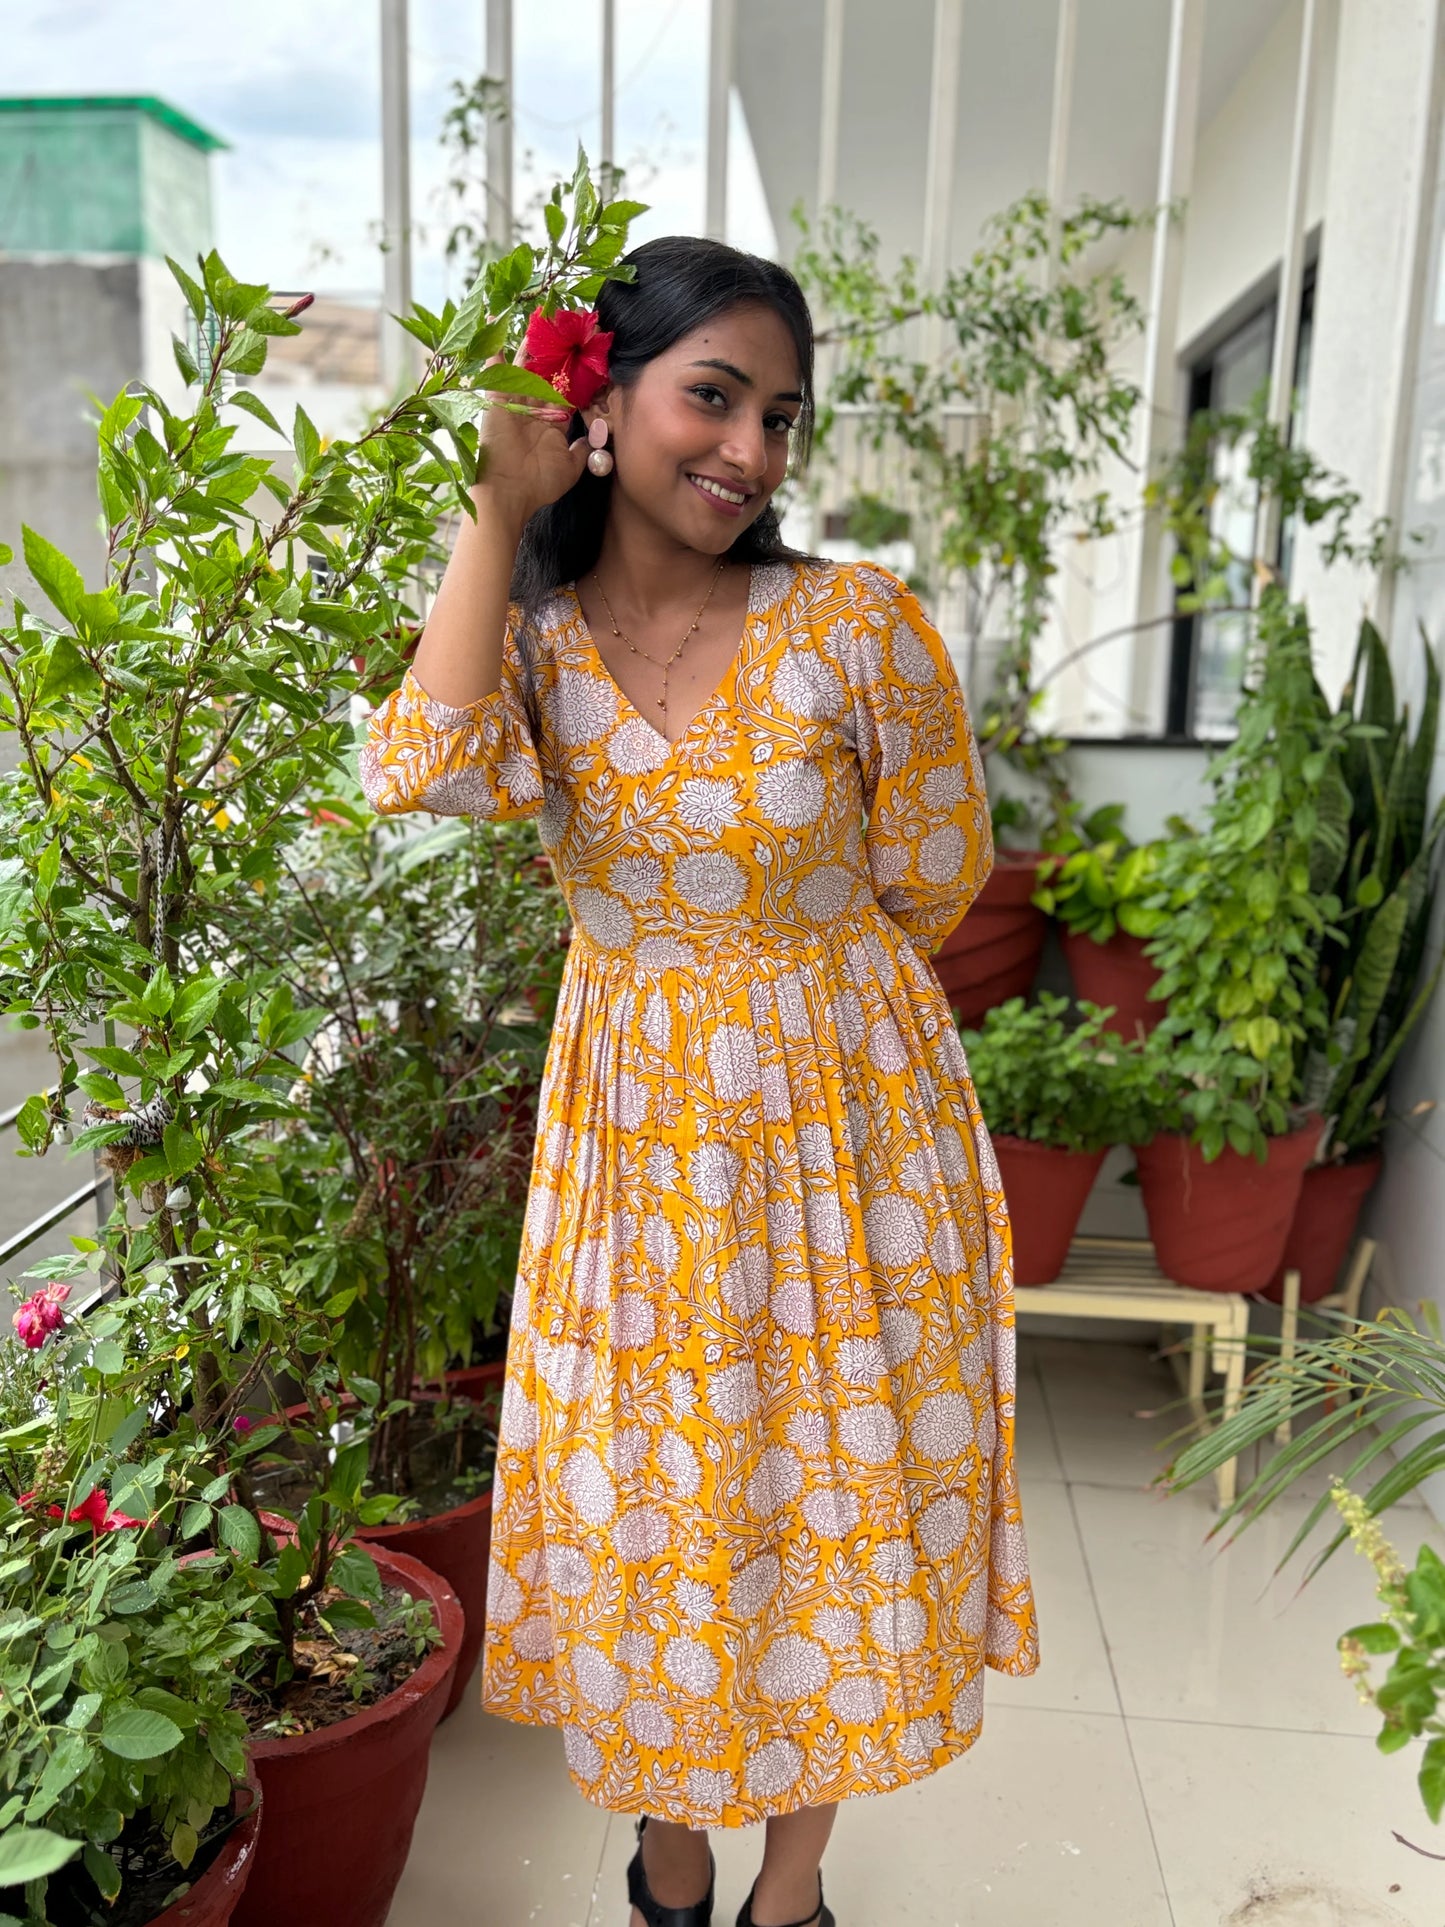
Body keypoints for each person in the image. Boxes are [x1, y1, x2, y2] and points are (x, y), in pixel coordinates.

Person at [360, 234, 1039, 1927]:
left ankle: (790, 1889)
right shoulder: (531, 641)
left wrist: (787, 1001)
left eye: (782, 415)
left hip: (850, 1125)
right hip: (636, 1145)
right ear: (605, 404)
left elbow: (934, 871)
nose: (749, 450)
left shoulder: (851, 621)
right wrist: (497, 507)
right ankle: (670, 1858)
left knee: (824, 1485)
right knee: (666, 1495)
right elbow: (424, 776)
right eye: (711, 397)